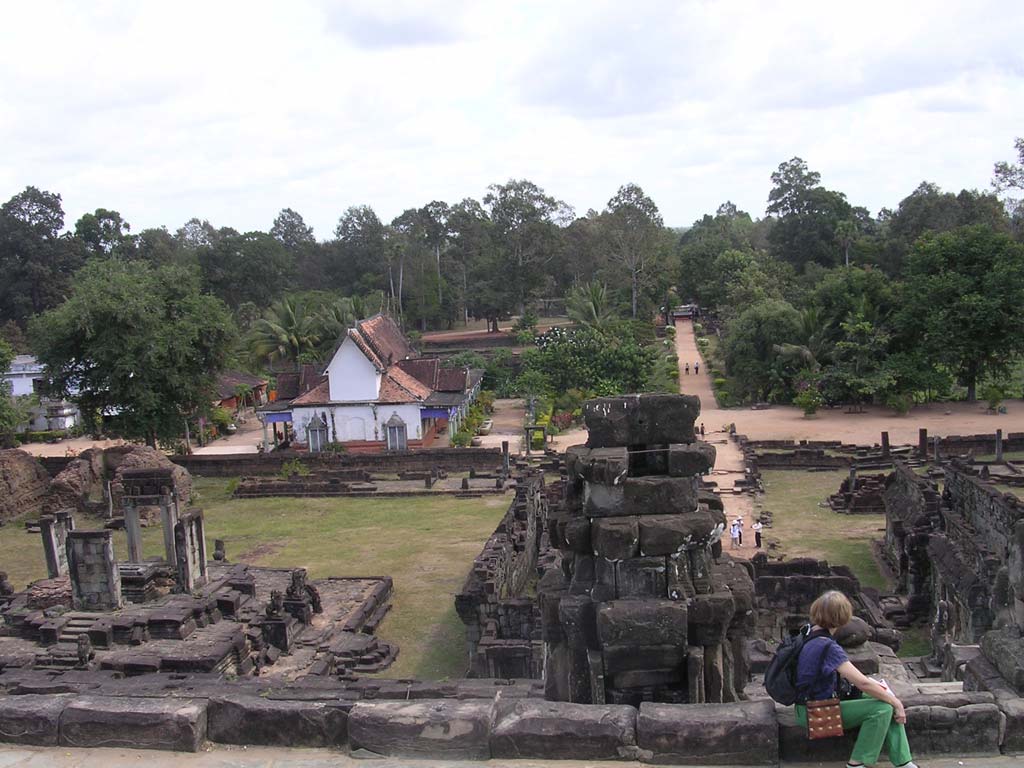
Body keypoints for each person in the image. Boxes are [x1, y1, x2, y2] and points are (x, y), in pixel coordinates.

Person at [795, 591, 918, 768]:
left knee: (883, 696)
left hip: (807, 705)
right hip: (815, 712)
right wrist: (897, 703)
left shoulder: (809, 633)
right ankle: (857, 763)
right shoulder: (827, 646)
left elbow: (858, 681)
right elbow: (863, 682)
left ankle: (904, 761)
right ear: (843, 617)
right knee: (883, 708)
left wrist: (886, 694)